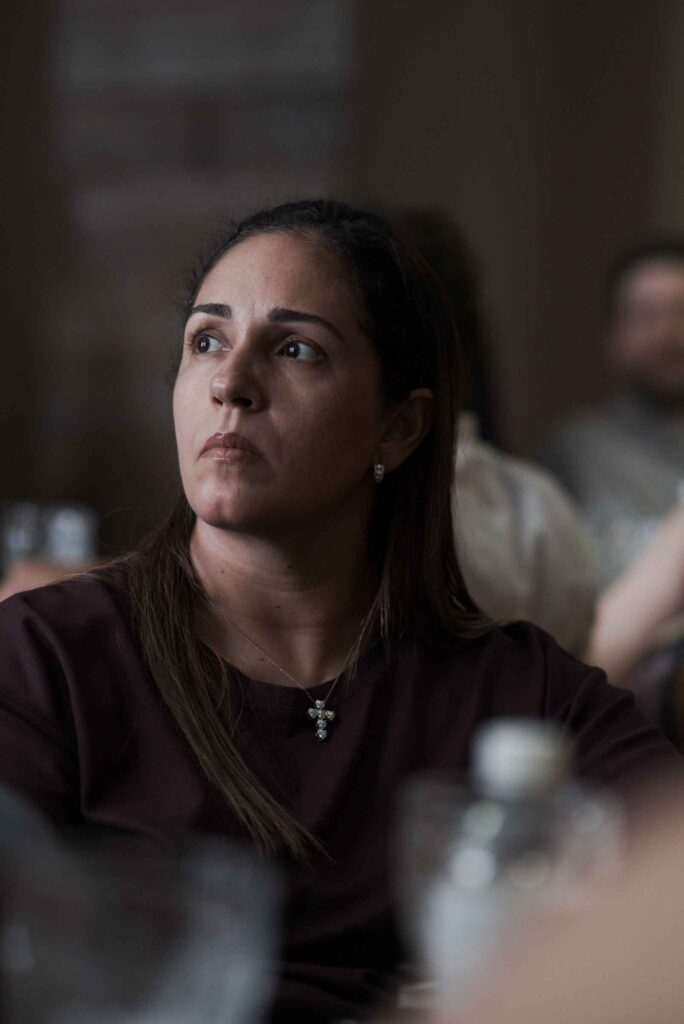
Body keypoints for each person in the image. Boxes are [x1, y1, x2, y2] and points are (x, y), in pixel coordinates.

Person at [0, 200, 677, 1023]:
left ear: (399, 426)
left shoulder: (514, 687)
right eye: (206, 341)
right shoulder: (47, 657)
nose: (229, 383)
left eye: (295, 349)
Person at [542, 236, 684, 584]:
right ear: (611, 338)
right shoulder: (577, 448)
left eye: (682, 312)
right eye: (646, 316)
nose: (668, 334)